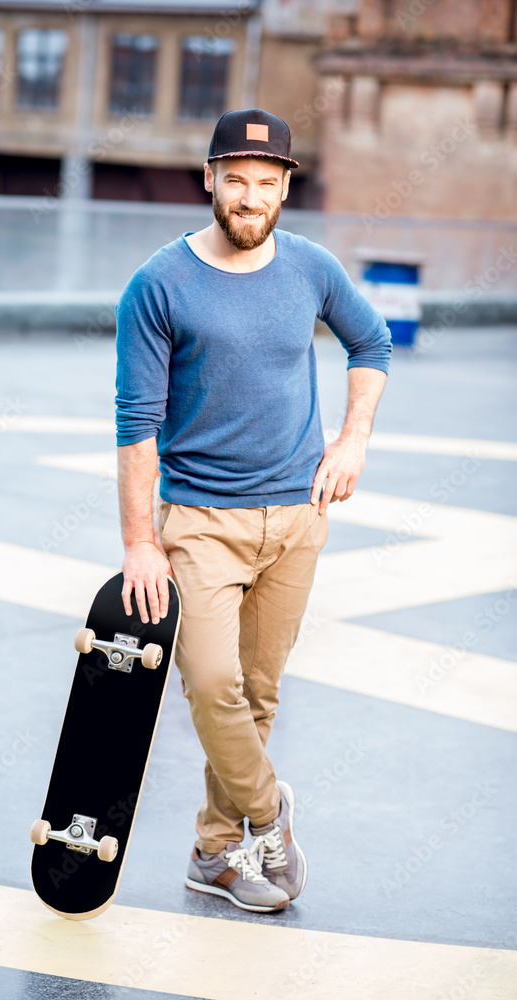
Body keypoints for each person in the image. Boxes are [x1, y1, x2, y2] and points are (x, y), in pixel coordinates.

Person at [114, 108, 391, 913]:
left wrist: (351, 441)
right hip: (200, 520)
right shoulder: (158, 284)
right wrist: (140, 543)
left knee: (259, 695)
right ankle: (269, 816)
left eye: (265, 183)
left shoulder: (310, 266)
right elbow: (135, 426)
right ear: (208, 180)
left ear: (282, 189)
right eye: (234, 180)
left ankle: (212, 851)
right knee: (209, 682)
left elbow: (370, 344)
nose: (249, 197)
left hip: (297, 518)